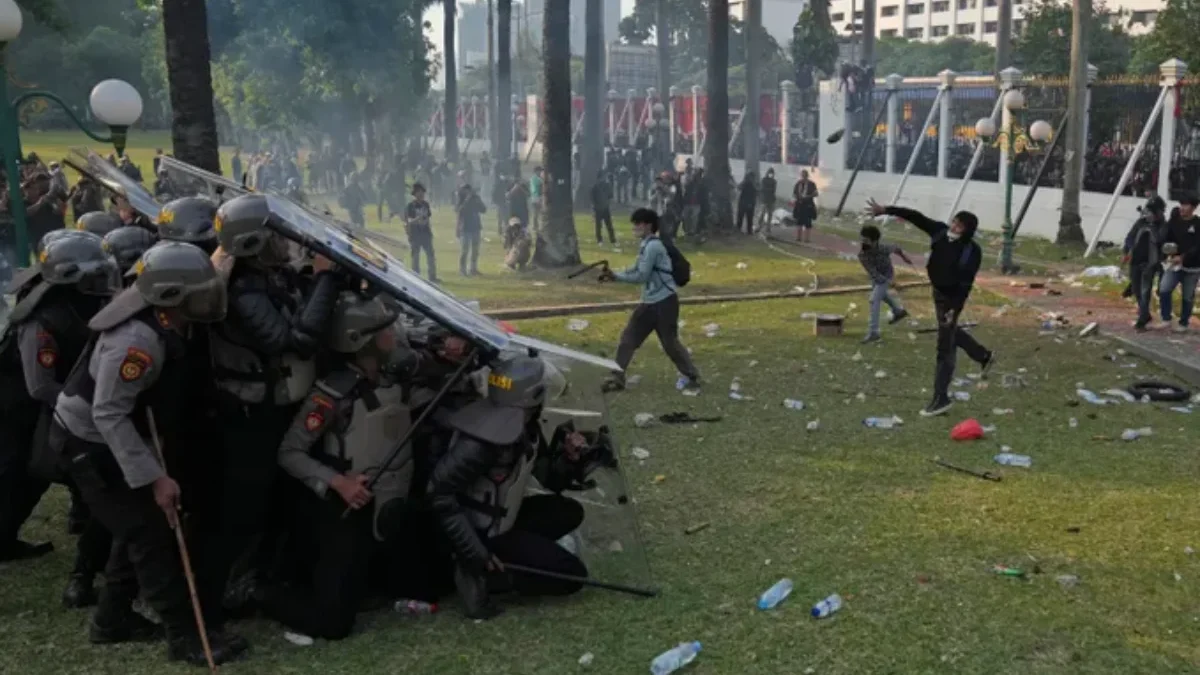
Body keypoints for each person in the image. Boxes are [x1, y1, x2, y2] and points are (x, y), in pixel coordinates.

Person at [52, 241, 244, 664]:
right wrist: (155, 478)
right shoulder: (136, 342)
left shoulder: (165, 317)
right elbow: (109, 413)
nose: (206, 298)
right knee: (149, 533)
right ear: (171, 295)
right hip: (89, 440)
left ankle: (111, 619)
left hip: (114, 433)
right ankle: (185, 638)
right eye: (196, 292)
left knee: (139, 526)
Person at [194, 194, 340, 644]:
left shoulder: (264, 276)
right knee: (241, 514)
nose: (285, 241)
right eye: (276, 234)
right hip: (248, 418)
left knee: (271, 507)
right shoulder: (241, 289)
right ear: (254, 243)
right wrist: (326, 280)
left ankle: (254, 584)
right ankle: (212, 604)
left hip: (268, 409)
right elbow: (292, 341)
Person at [262, 292, 410, 640]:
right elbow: (290, 452)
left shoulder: (393, 377)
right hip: (342, 506)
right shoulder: (331, 394)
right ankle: (261, 593)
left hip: (388, 500)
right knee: (333, 623)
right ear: (362, 340)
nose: (394, 334)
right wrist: (338, 482)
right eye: (385, 330)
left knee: (421, 585)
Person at [426, 355, 589, 620]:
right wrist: (476, 553)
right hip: (483, 533)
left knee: (568, 511)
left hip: (503, 518)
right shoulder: (481, 441)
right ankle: (497, 576)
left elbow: (549, 480)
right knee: (572, 576)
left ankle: (520, 554)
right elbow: (438, 493)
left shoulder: (524, 425)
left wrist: (569, 458)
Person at [866, 198, 995, 417]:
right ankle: (983, 356)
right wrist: (886, 210)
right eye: (954, 222)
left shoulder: (971, 251)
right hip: (938, 293)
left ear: (967, 231)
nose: (954, 227)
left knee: (944, 347)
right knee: (950, 332)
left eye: (960, 226)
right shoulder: (939, 232)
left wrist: (955, 308)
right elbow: (915, 216)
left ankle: (941, 398)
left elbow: (966, 283)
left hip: (952, 299)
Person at [599, 208, 700, 393]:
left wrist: (617, 277)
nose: (634, 227)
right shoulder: (646, 245)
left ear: (648, 225)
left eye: (638, 224)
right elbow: (635, 268)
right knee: (629, 338)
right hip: (651, 301)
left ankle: (691, 375)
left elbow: (642, 276)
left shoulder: (653, 247)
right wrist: (614, 274)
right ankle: (616, 376)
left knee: (669, 343)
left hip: (664, 302)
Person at [857, 225, 912, 343]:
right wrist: (891, 283)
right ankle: (898, 311)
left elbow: (896, 248)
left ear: (875, 241)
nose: (862, 243)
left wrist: (905, 258)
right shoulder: (862, 255)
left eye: (866, 240)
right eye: (862, 239)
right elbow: (873, 273)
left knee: (874, 300)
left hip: (888, 274)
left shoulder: (883, 248)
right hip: (876, 277)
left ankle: (874, 333)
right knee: (882, 295)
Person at [1123, 195, 1169, 331]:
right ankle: (1145, 314)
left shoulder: (1163, 226)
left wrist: (1152, 226)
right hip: (1135, 260)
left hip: (1150, 263)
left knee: (1145, 291)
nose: (1150, 214)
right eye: (1149, 210)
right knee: (1136, 290)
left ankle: (1142, 319)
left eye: (1154, 211)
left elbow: (1160, 241)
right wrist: (1128, 250)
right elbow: (1130, 237)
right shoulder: (1140, 222)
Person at [1159, 193, 1200, 332]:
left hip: (1192, 267)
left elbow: (1197, 246)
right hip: (1174, 265)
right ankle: (1166, 319)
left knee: (1187, 296)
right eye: (1181, 204)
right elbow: (1166, 239)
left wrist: (1183, 257)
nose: (1182, 208)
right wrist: (1166, 251)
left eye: (1186, 205)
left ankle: (1183, 323)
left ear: (1193, 207)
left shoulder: (1198, 224)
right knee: (1164, 289)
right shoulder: (1173, 222)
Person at [405, 183, 439, 282]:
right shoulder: (411, 206)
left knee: (431, 255)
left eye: (422, 192)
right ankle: (416, 277)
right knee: (415, 257)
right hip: (415, 234)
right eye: (419, 192)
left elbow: (428, 219)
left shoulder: (426, 204)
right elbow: (409, 221)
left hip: (426, 233)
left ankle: (432, 276)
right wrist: (418, 219)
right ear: (415, 194)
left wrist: (430, 231)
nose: (421, 194)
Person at [456, 183, 487, 277]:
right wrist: (467, 200)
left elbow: (483, 210)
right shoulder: (461, 199)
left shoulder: (476, 198)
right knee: (465, 250)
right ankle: (462, 270)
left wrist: (478, 200)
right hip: (465, 227)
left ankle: (473, 269)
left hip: (475, 227)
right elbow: (459, 211)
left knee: (475, 250)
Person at [793, 170, 818, 242]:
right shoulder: (798, 183)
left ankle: (807, 239)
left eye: (804, 175)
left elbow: (816, 193)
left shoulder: (811, 184)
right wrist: (798, 197)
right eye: (802, 175)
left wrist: (808, 196)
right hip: (800, 204)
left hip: (808, 205)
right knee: (799, 222)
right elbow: (794, 193)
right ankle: (798, 237)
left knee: (808, 222)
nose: (803, 177)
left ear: (807, 176)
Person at [591, 172, 615, 246]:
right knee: (598, 225)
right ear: (599, 178)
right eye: (602, 177)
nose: (604, 179)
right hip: (598, 209)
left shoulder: (607, 185)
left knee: (609, 225)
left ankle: (612, 240)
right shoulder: (595, 187)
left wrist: (608, 204)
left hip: (605, 208)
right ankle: (599, 240)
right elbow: (592, 199)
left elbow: (610, 196)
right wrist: (594, 207)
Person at [529, 168, 544, 232]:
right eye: (539, 171)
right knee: (537, 212)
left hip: (536, 197)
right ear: (536, 171)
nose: (540, 172)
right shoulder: (536, 179)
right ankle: (536, 226)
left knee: (537, 213)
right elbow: (536, 188)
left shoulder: (535, 178)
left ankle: (536, 226)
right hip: (536, 197)